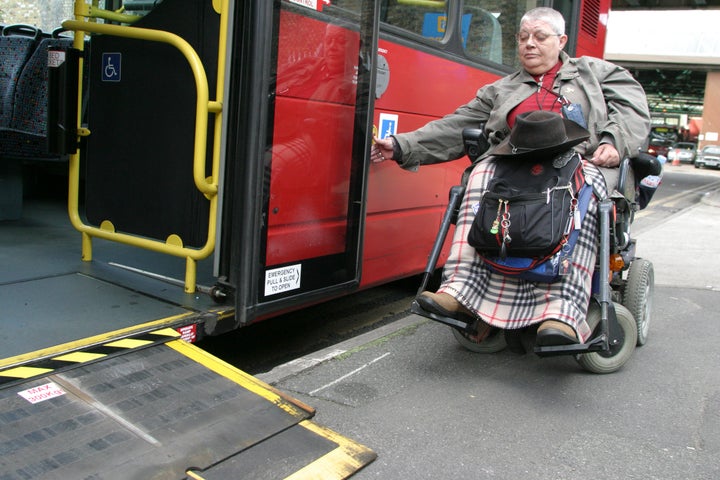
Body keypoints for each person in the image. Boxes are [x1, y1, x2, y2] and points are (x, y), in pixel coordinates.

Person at [371, 7, 651, 346]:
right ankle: (458, 290)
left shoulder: (596, 73)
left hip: (576, 161)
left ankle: (563, 313)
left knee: (583, 189)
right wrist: (401, 145)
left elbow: (632, 109)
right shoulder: (502, 89)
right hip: (512, 165)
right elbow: (455, 125)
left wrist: (613, 141)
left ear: (561, 41)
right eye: (523, 38)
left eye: (540, 37)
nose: (529, 44)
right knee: (480, 174)